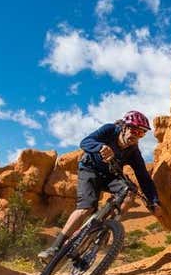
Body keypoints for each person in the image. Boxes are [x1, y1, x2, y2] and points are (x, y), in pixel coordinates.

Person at [37, 110, 162, 261]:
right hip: (89, 170)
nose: (136, 136)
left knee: (130, 192)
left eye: (141, 134)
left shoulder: (133, 152)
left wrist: (154, 201)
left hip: (110, 176)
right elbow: (85, 142)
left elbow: (144, 178)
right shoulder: (109, 130)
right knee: (86, 207)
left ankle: (108, 225)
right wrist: (100, 147)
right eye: (134, 130)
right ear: (124, 127)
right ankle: (55, 247)